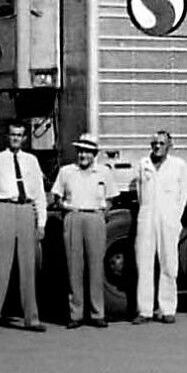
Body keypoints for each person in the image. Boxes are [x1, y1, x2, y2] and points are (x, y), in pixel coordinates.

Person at [0, 123, 47, 336]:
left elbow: (40, 193)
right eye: (13, 134)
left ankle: (31, 319)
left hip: (26, 211)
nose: (16, 138)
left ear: (25, 138)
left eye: (20, 135)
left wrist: (41, 222)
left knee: (28, 267)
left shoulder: (32, 161)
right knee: (0, 267)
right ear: (7, 137)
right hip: (4, 210)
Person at [51, 133, 117, 329]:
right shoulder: (66, 171)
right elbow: (56, 196)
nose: (83, 155)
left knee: (96, 267)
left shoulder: (104, 172)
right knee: (74, 267)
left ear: (94, 154)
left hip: (95, 218)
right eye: (80, 151)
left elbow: (111, 197)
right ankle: (76, 314)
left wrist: (102, 213)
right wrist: (67, 208)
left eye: (87, 151)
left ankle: (98, 314)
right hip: (73, 216)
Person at [132, 129, 187, 325]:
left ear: (169, 146)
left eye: (161, 143)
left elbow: (184, 192)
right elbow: (141, 193)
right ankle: (145, 310)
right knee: (144, 262)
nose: (157, 147)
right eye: (154, 144)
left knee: (168, 263)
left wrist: (175, 216)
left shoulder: (178, 165)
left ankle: (167, 309)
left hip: (168, 219)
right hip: (147, 217)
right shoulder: (144, 164)